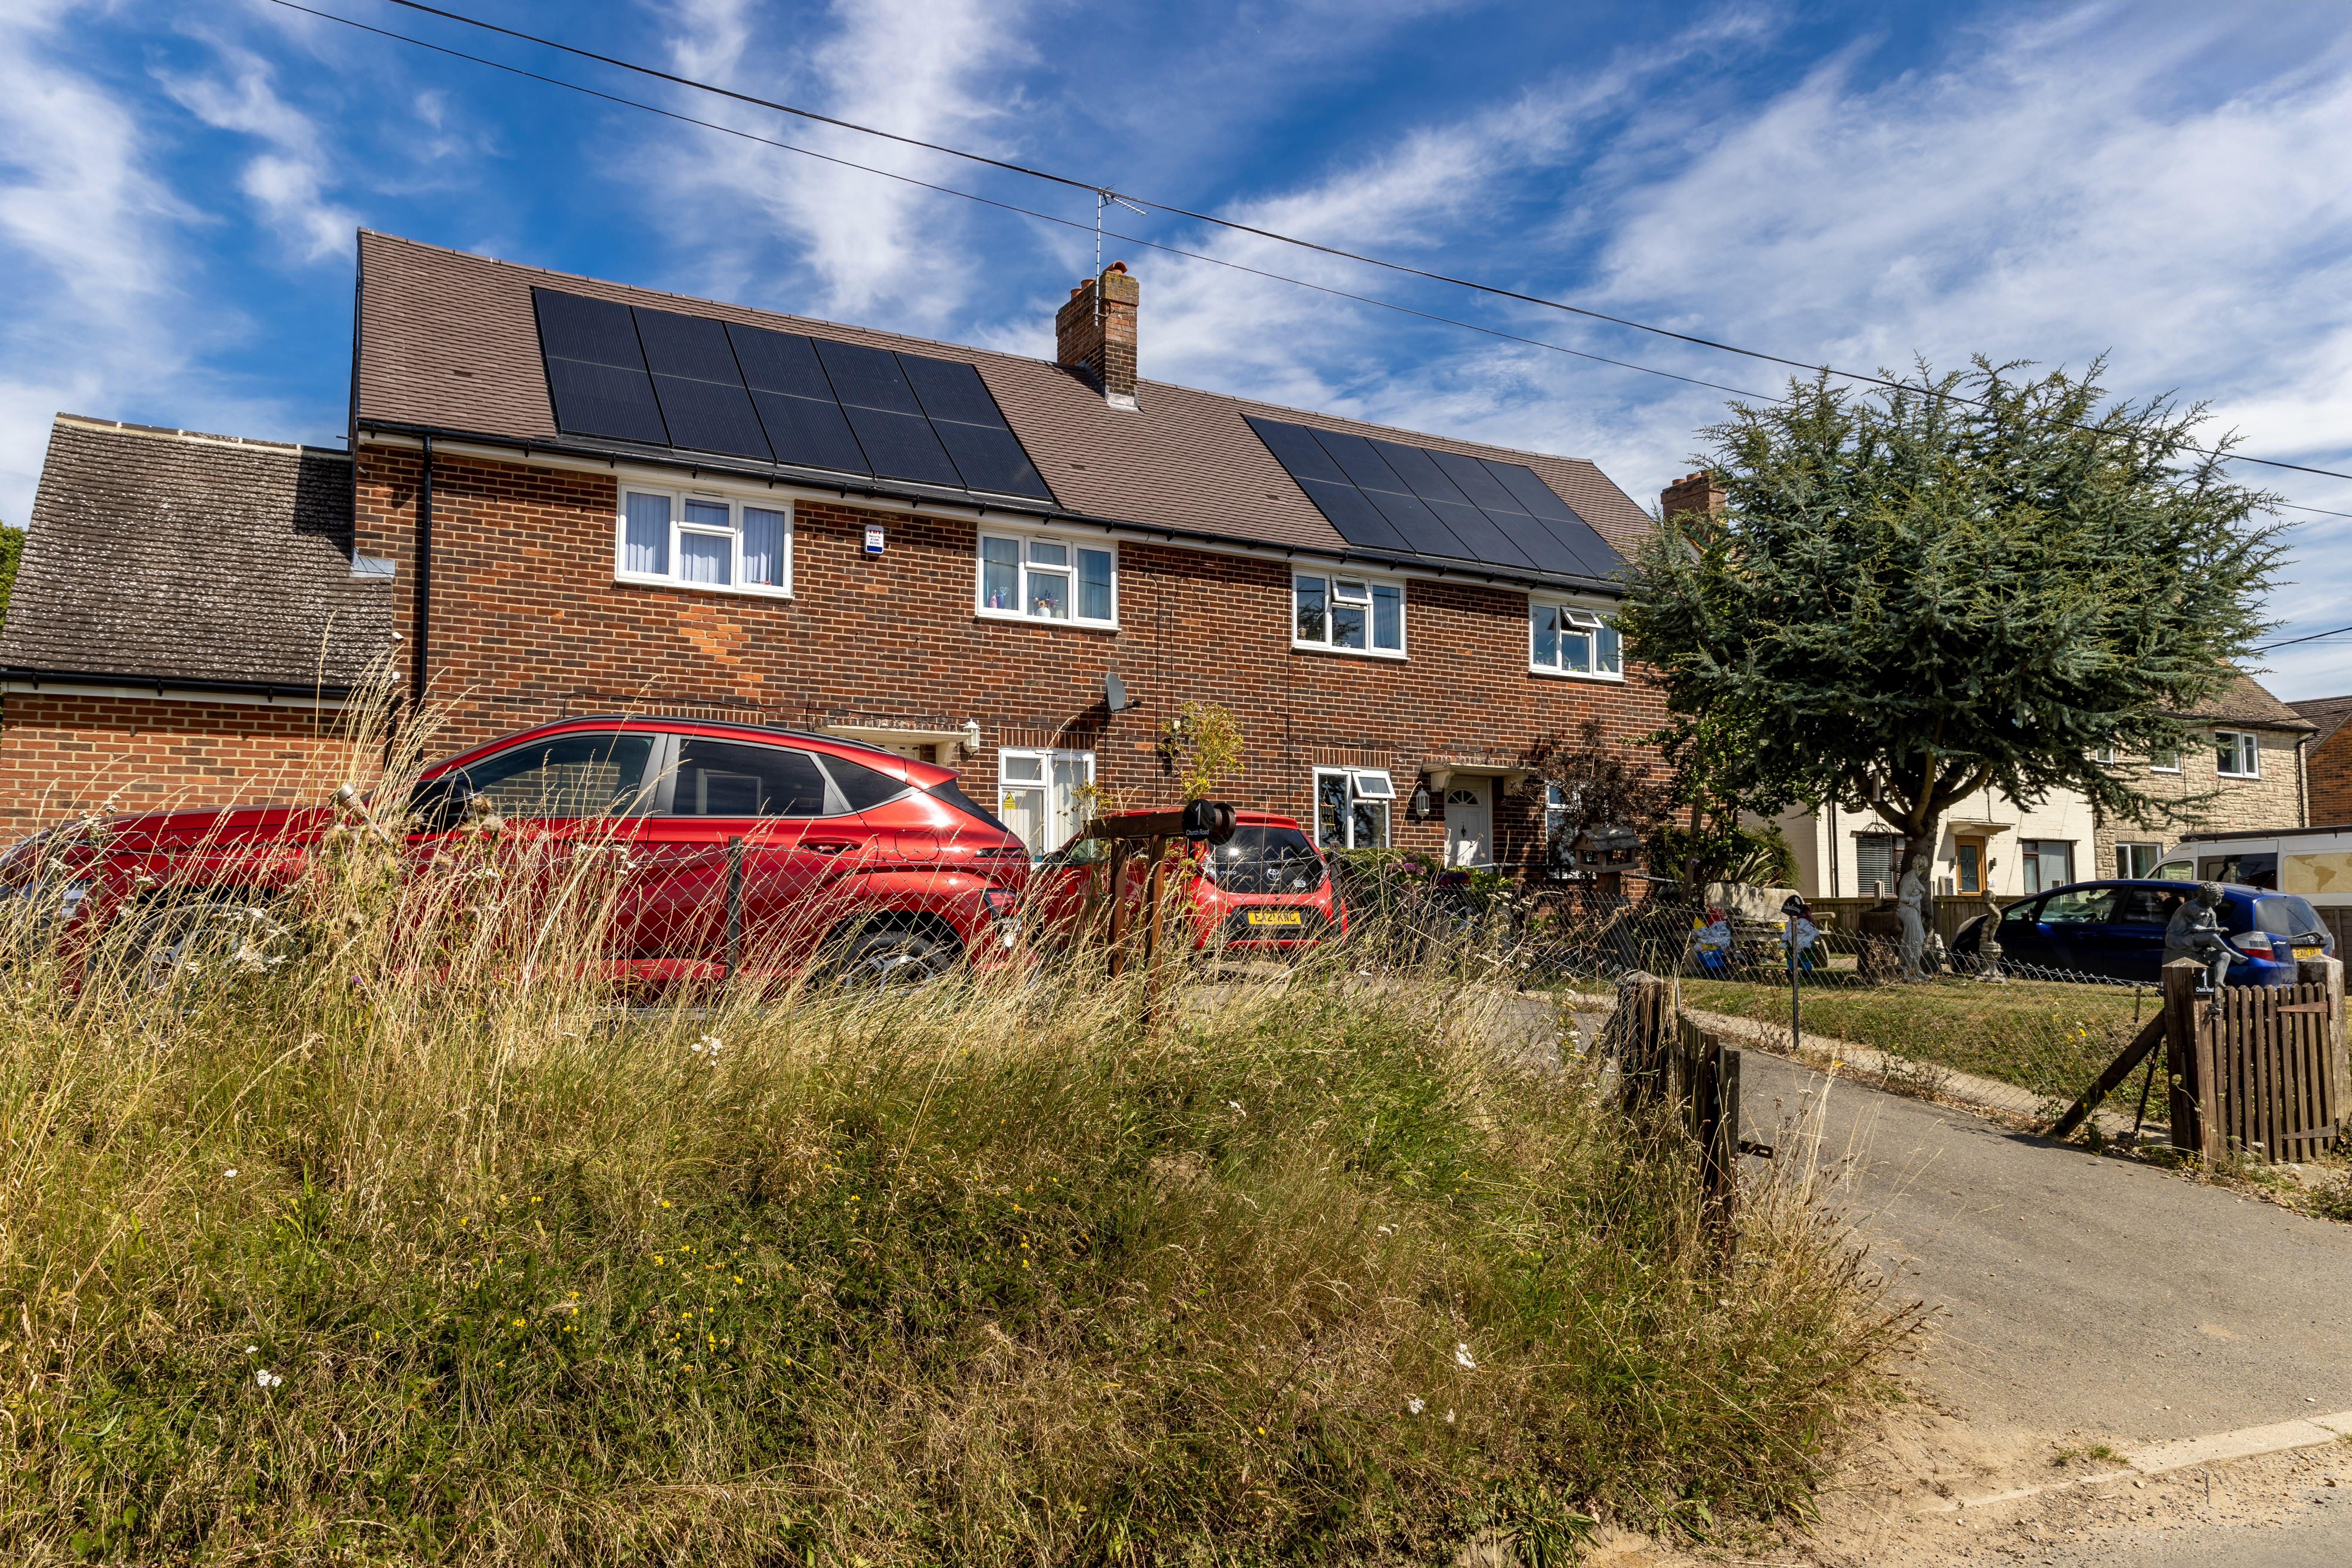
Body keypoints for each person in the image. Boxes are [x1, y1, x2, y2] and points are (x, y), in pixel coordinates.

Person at [1781, 894, 1822, 973]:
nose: (1800, 928)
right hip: (1792, 952)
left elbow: (1813, 947)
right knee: (1790, 958)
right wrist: (1785, 940)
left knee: (1807, 960)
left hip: (1806, 954)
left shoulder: (1810, 938)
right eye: (1798, 924)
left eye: (1805, 925)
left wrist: (1810, 946)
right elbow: (1785, 938)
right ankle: (1791, 970)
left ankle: (1807, 971)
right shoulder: (1791, 935)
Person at [1693, 905, 1733, 974]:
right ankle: (1713, 974)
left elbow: (1724, 941)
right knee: (1712, 963)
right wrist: (1715, 941)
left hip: (1719, 953)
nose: (1723, 930)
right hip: (1708, 954)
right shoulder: (1707, 938)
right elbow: (1708, 942)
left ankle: (1723, 974)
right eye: (1717, 928)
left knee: (1721, 963)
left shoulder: (1719, 937)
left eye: (1724, 927)